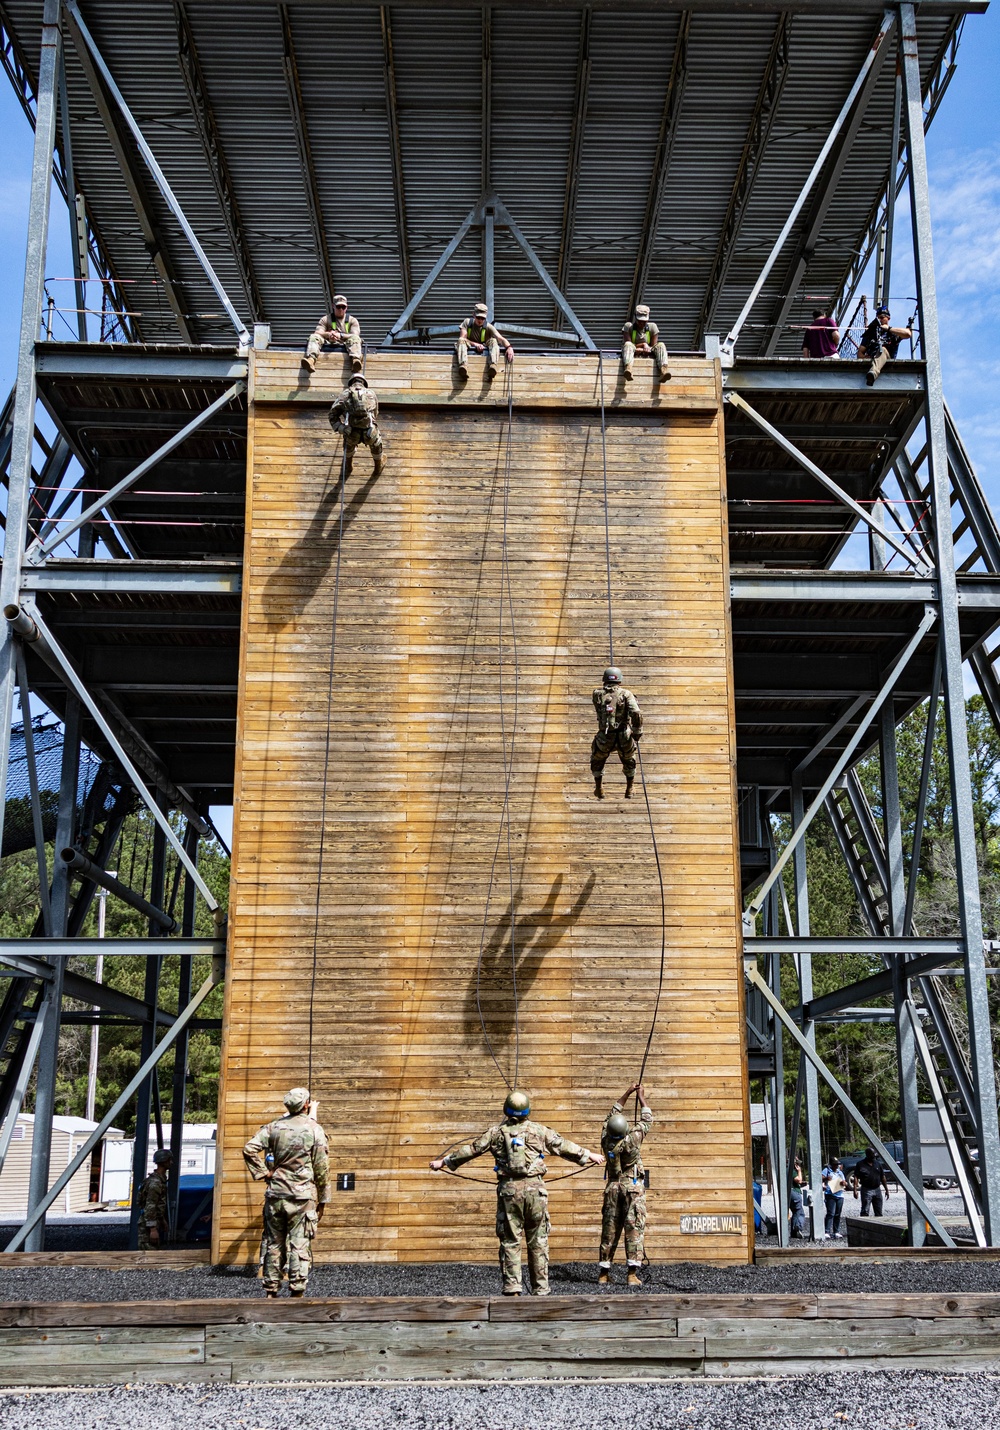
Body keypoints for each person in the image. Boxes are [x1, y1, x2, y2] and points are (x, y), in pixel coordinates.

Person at [429, 1089, 602, 1296]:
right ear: (527, 1111)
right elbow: (562, 1145)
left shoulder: (495, 1133)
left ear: (506, 1110)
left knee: (510, 1240)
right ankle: (541, 1289)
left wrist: (444, 1162)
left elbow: (472, 1149)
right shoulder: (539, 1130)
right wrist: (589, 1154)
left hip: (508, 1192)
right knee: (538, 1240)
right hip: (535, 1191)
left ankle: (513, 1289)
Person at [243, 1086, 330, 1298]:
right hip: (302, 1198)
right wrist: (323, 1199)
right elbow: (321, 1167)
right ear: (307, 1105)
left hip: (275, 1195)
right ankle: (297, 1291)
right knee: (299, 1243)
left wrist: (264, 1173)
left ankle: (271, 1291)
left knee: (274, 1243)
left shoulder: (273, 1127)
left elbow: (249, 1149)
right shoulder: (314, 1129)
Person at [598, 1082, 652, 1287]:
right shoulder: (633, 1140)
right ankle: (631, 1275)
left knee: (609, 1229)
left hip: (612, 1187)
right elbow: (647, 1119)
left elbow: (609, 1116)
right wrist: (641, 1097)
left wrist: (626, 1093)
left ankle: (604, 1274)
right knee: (634, 1229)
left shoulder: (606, 1140)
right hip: (632, 1188)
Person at [591, 665, 643, 801]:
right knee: (629, 759)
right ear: (619, 680)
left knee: (597, 758)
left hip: (605, 735)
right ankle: (629, 788)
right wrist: (637, 732)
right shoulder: (626, 694)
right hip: (623, 735)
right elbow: (636, 713)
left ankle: (599, 788)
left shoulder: (597, 694)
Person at [328, 372, 385, 477]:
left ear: (351, 383)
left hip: (351, 431)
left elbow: (332, 414)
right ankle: (378, 466)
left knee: (348, 445)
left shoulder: (345, 394)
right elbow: (375, 413)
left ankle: (348, 465)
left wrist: (341, 427)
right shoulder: (371, 393)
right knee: (376, 443)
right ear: (364, 383)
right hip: (369, 430)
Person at [303, 295, 363, 374]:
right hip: (329, 344)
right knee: (314, 337)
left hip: (346, 346)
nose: (341, 309)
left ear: (346, 307)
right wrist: (328, 334)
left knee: (355, 339)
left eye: (343, 307)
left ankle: (356, 361)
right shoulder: (325, 319)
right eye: (338, 307)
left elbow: (355, 335)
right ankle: (311, 360)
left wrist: (340, 335)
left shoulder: (352, 320)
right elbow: (317, 332)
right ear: (333, 306)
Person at [455, 303, 514, 380]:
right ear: (473, 315)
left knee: (494, 340)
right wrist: (476, 345)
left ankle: (493, 366)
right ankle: (463, 366)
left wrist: (509, 347)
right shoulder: (467, 322)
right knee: (461, 340)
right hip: (468, 347)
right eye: (478, 317)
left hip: (485, 348)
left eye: (482, 318)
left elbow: (500, 338)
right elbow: (462, 338)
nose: (480, 320)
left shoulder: (488, 327)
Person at [858, 305, 912, 386]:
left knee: (882, 349)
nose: (880, 320)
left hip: (887, 358)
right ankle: (872, 371)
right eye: (878, 318)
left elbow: (908, 334)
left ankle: (873, 373)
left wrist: (889, 329)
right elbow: (860, 353)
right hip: (872, 358)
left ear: (888, 318)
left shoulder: (893, 333)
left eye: (882, 317)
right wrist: (865, 357)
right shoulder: (871, 333)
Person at [621, 304, 670, 383]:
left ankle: (663, 371)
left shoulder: (652, 327)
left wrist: (646, 349)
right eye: (640, 321)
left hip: (648, 351)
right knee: (627, 345)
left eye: (644, 322)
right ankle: (628, 370)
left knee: (661, 345)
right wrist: (643, 344)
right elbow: (628, 344)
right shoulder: (628, 327)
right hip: (631, 351)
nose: (642, 324)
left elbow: (654, 346)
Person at [136, 1148, 172, 1250]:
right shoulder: (155, 1183)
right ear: (164, 1161)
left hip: (152, 1221)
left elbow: (157, 1205)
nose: (171, 1162)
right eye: (169, 1160)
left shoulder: (159, 1180)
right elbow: (150, 1206)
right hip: (148, 1225)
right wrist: (152, 1229)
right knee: (148, 1254)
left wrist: (162, 1220)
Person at [851, 1148, 890, 1218]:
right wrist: (855, 1190)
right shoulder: (860, 1164)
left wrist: (886, 1189)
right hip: (866, 1190)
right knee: (865, 1211)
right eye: (872, 1155)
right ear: (868, 1155)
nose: (874, 1157)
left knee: (879, 1211)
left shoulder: (878, 1164)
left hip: (877, 1189)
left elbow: (883, 1177)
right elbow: (856, 1177)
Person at [822, 1156, 848, 1240]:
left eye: (837, 1164)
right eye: (834, 1164)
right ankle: (826, 1231)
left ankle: (836, 1231)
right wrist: (826, 1178)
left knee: (838, 1214)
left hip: (839, 1195)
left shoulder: (840, 1172)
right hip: (830, 1194)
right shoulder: (826, 1170)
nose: (836, 1166)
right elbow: (820, 1178)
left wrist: (844, 1183)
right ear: (831, 1164)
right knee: (831, 1213)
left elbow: (845, 1182)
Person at [789, 1156, 808, 1239]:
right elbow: (799, 1180)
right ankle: (798, 1227)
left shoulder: (785, 1170)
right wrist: (799, 1171)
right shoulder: (792, 1171)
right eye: (797, 1164)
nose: (798, 1165)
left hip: (787, 1193)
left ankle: (793, 1232)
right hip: (794, 1193)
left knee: (795, 1212)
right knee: (800, 1212)